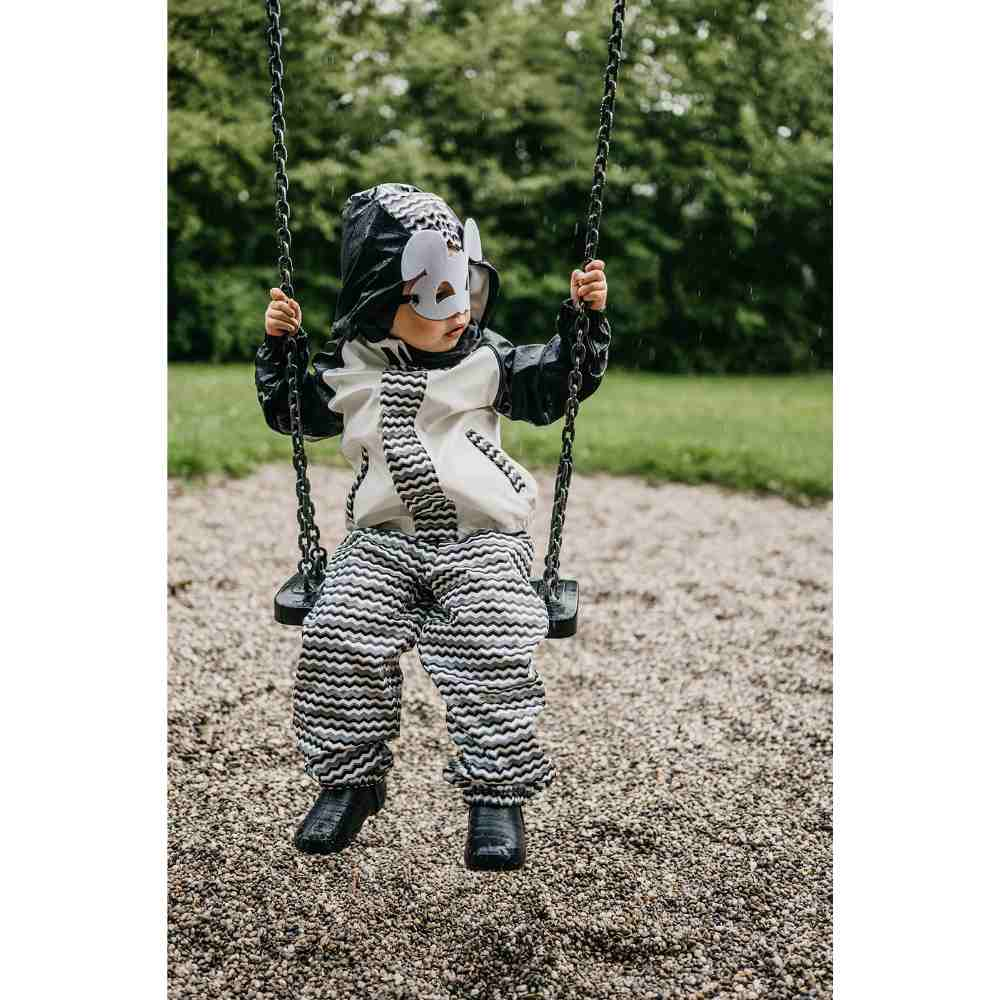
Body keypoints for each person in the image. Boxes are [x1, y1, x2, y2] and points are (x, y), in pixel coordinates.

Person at [255, 183, 610, 871]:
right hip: (381, 547)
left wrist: (583, 325)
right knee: (338, 638)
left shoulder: (489, 361)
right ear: (382, 302)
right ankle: (349, 781)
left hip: (482, 544)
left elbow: (556, 385)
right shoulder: (347, 368)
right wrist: (279, 351)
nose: (460, 312)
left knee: (492, 646)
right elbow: (291, 415)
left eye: (467, 288)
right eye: (435, 295)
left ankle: (497, 795)